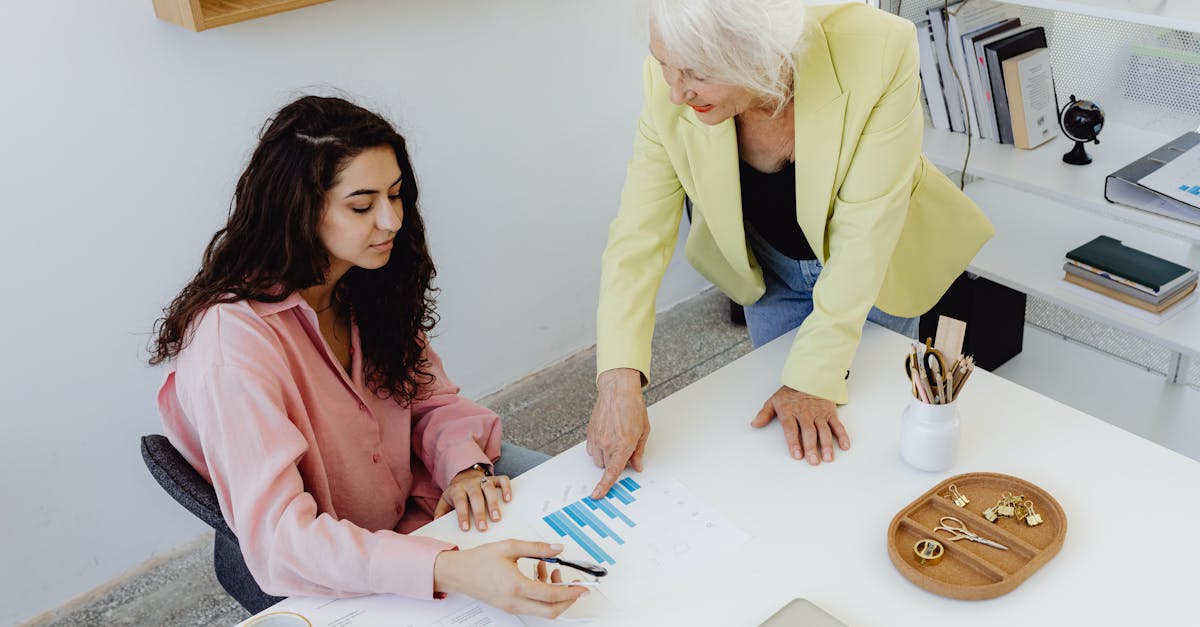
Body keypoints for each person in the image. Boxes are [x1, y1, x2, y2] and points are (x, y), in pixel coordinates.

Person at [150, 96, 586, 617]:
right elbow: (286, 538)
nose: (392, 220)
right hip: (335, 560)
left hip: (418, 503)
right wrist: (443, 567)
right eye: (362, 206)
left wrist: (464, 468)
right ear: (298, 210)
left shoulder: (363, 284)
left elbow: (430, 401)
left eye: (397, 195)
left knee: (589, 506)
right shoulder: (233, 349)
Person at [587, 0, 994, 497]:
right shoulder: (670, 82)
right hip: (769, 267)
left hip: (874, 269)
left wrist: (812, 377)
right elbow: (637, 236)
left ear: (757, 55)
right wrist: (618, 378)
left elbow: (865, 234)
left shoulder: (880, 48)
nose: (673, 92)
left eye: (693, 73)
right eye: (663, 64)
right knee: (785, 450)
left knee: (873, 440)